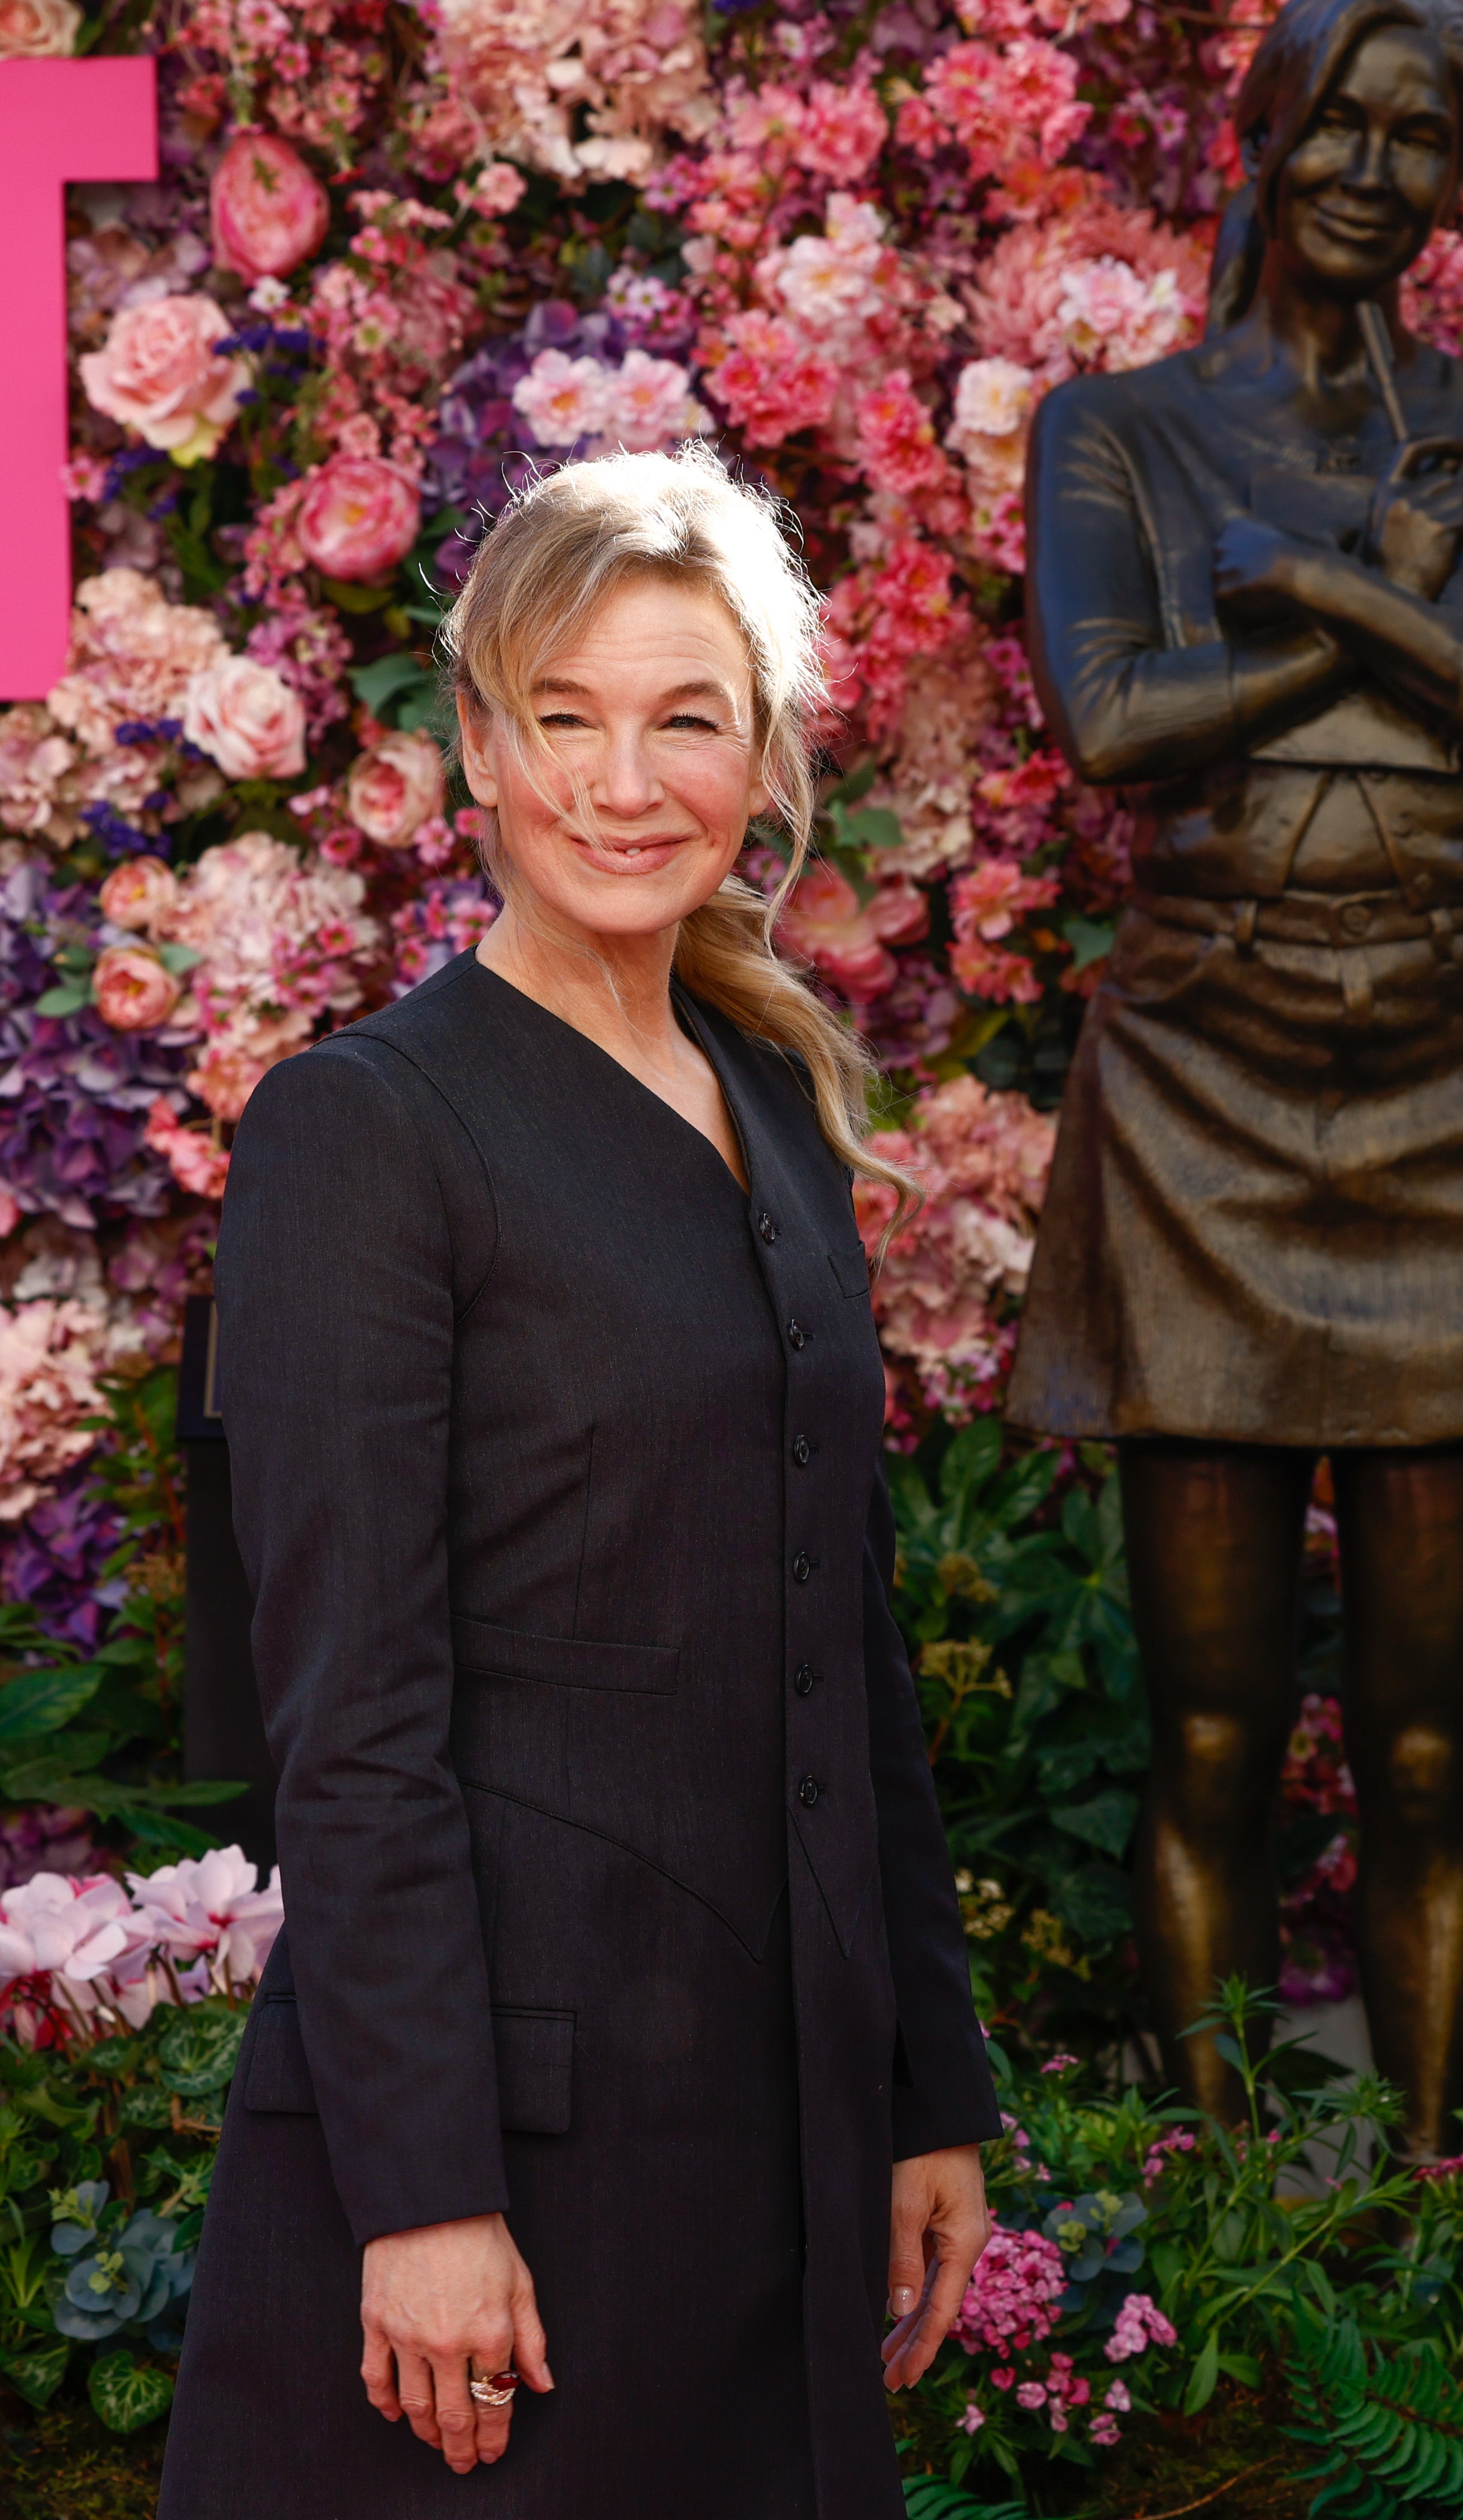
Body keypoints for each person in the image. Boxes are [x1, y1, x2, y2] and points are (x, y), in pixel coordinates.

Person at [157, 447, 997, 2519]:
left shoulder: (773, 1103)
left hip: (772, 2143)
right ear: (479, 745)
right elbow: (346, 1716)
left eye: (685, 717)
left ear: (764, 751)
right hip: (497, 2180)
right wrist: (421, 2191)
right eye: (568, 717)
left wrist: (916, 2093)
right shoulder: (367, 1133)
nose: (627, 784)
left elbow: (841, 1644)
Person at [1006, 0, 1463, 2156]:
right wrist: (1366, 609)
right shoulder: (1115, 433)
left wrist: (1334, 590)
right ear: (1260, 133)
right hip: (1201, 1095)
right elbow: (1109, 730)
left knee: (1414, 1741)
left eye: (1422, 138)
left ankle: (1435, 2186)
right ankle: (1204, 2183)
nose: (1375, 173)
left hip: (1459, 1087)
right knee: (1204, 1728)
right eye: (1342, 124)